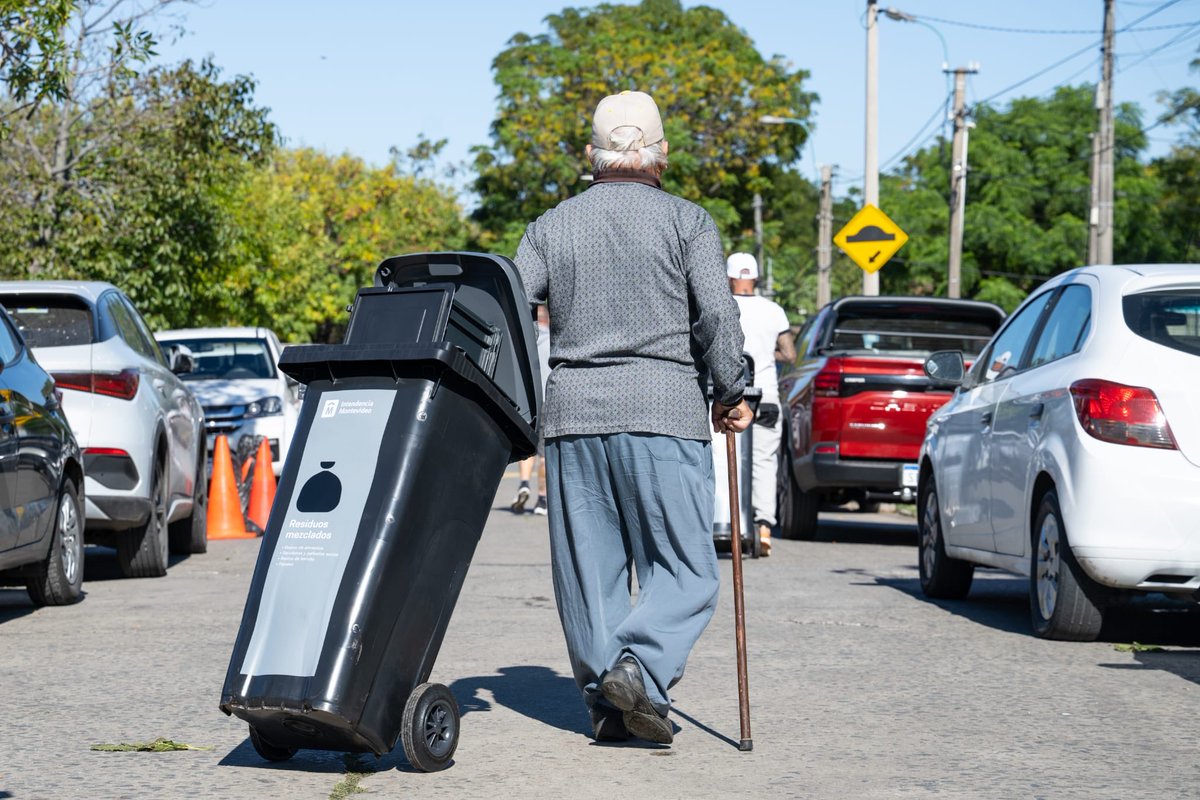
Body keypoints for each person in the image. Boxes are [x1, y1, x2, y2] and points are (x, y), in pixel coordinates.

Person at [515, 90, 751, 746]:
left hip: (573, 416)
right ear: (662, 157)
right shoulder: (688, 222)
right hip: (663, 408)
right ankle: (639, 668)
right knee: (686, 568)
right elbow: (717, 315)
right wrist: (731, 390)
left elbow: (507, 306)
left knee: (590, 574)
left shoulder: (552, 225)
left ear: (590, 155)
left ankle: (608, 703)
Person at [726, 252, 795, 556]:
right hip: (765, 394)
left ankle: (727, 522)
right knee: (765, 461)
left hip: (726, 396)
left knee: (724, 458)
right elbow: (790, 354)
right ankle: (764, 526)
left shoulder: (720, 306)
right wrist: (767, 357)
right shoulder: (774, 310)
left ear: (729, 277)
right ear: (754, 277)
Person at [511, 303, 552, 515]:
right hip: (549, 399)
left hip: (529, 400)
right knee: (544, 454)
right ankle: (542, 501)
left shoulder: (530, 340)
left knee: (528, 447)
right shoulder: (555, 340)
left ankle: (524, 483)